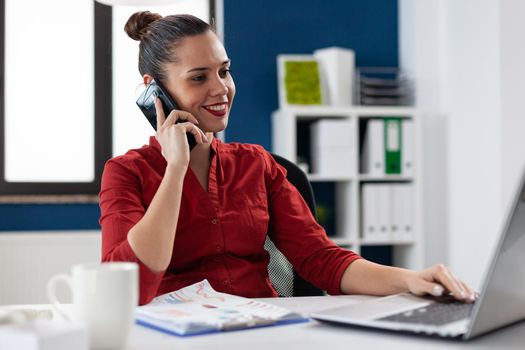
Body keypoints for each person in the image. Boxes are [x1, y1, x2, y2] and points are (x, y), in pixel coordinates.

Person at [99, 11, 476, 306]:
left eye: (225, 71)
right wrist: (176, 168)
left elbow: (320, 259)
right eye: (198, 78)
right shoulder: (127, 173)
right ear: (155, 90)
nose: (221, 89)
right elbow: (128, 288)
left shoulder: (255, 165)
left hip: (264, 331)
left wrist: (410, 280)